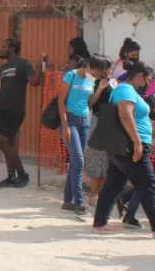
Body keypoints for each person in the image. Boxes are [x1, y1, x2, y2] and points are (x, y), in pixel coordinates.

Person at [92, 60, 155, 239]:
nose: (148, 83)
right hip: (131, 145)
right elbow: (125, 115)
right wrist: (137, 142)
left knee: (114, 184)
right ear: (140, 76)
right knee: (147, 183)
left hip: (123, 146)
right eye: (147, 79)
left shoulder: (123, 90)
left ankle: (100, 222)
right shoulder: (126, 90)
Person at [57, 56, 107, 215]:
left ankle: (67, 201)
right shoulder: (71, 76)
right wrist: (65, 126)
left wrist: (99, 88)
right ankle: (78, 202)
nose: (96, 76)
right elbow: (60, 102)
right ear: (89, 66)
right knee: (78, 159)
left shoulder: (91, 80)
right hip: (70, 120)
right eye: (96, 72)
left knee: (76, 162)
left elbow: (89, 103)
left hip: (84, 122)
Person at [0, 38, 45, 188]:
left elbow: (34, 82)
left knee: (2, 143)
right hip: (3, 110)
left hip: (15, 110)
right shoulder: (3, 68)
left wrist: (41, 67)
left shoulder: (24, 64)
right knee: (9, 143)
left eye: (4, 47)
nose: (1, 49)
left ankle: (22, 175)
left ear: (11, 48)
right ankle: (11, 177)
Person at [84, 56, 116, 206]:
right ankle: (93, 194)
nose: (109, 71)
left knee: (106, 161)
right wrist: (100, 88)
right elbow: (90, 103)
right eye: (107, 68)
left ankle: (103, 195)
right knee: (95, 159)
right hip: (97, 122)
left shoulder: (113, 82)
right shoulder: (93, 82)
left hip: (110, 123)